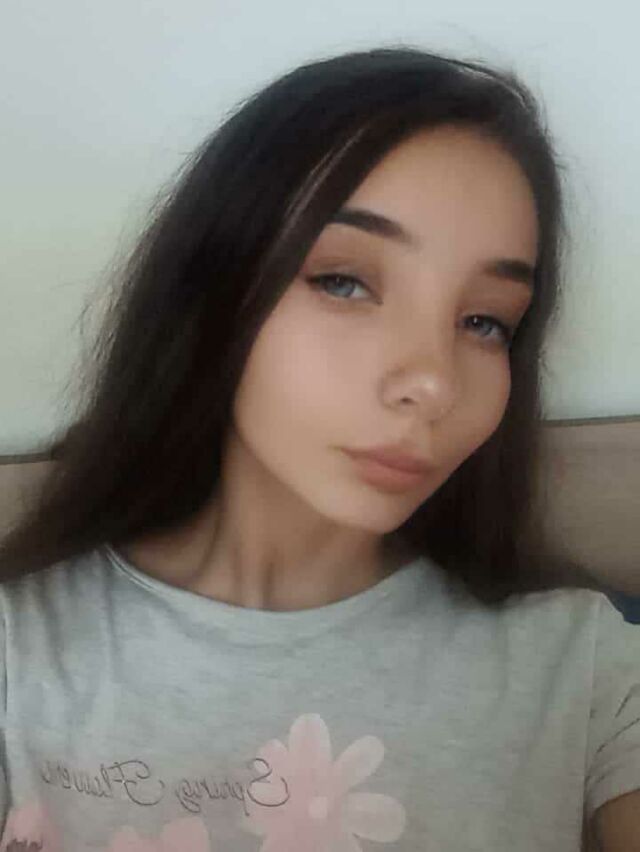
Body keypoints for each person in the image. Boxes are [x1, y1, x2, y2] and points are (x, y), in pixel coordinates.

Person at [0, 45, 638, 852]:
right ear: (213, 293)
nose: (433, 382)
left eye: (485, 322)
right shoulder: (19, 657)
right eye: (344, 281)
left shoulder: (588, 670)